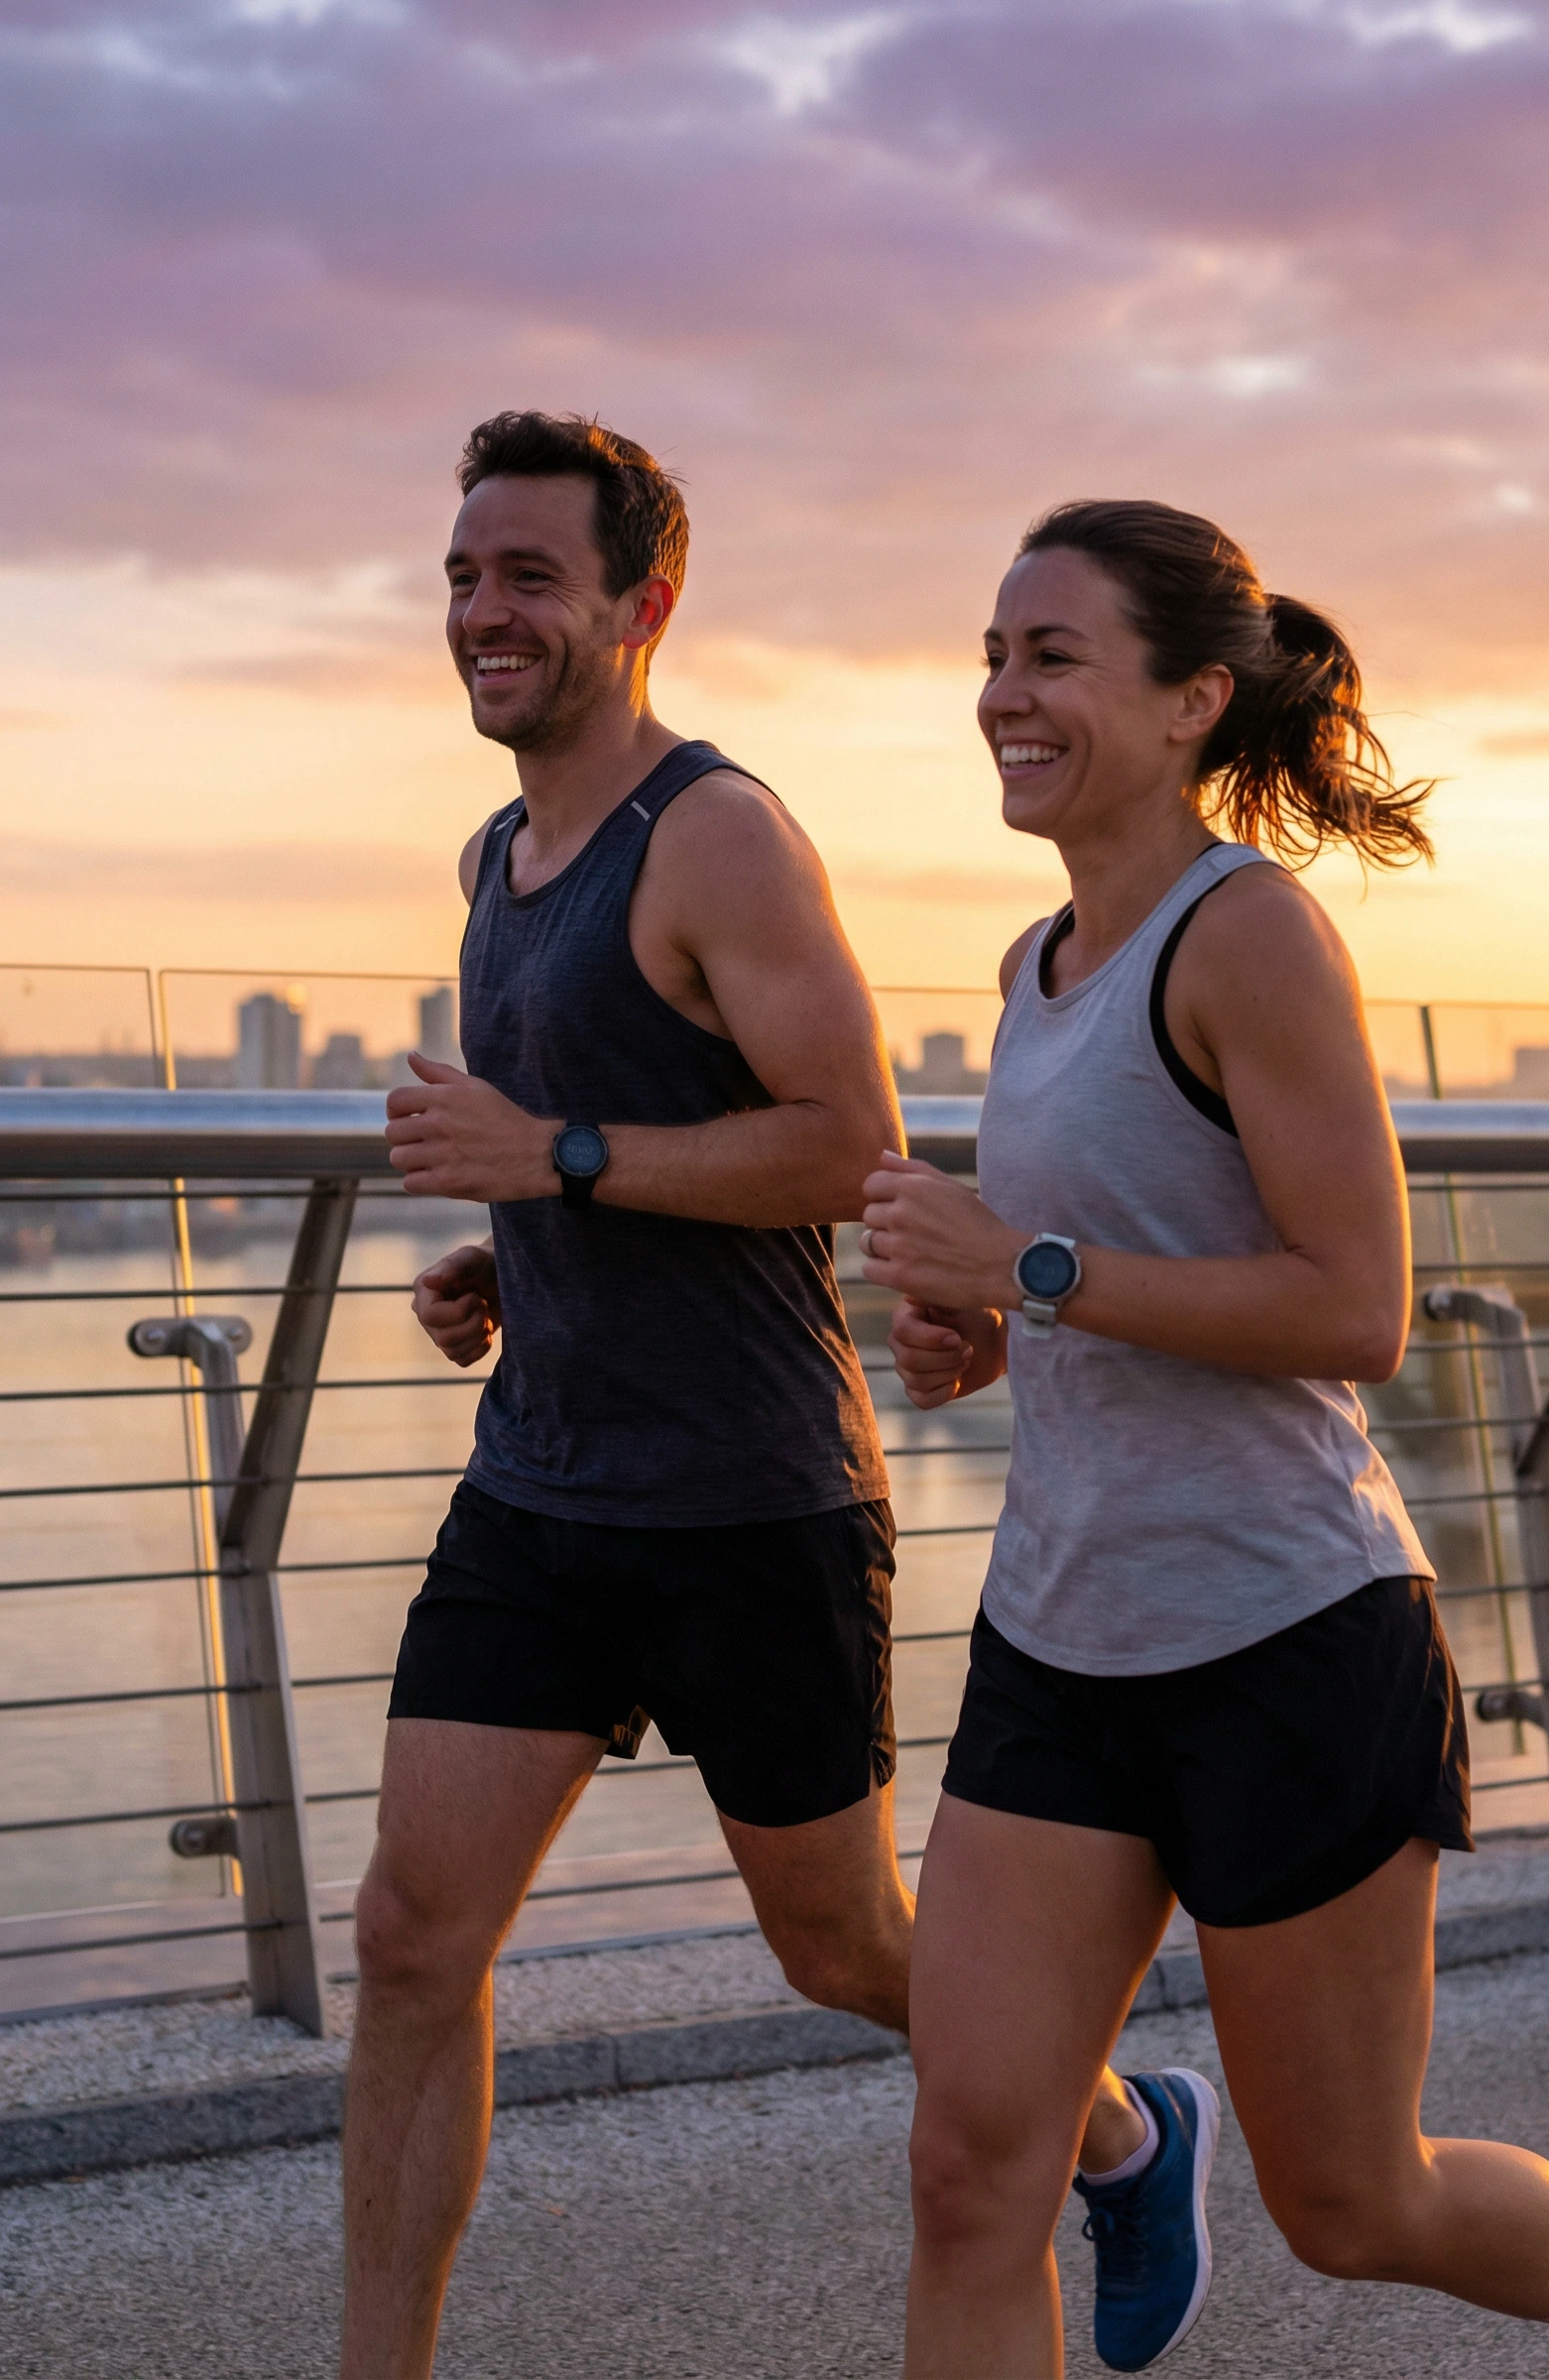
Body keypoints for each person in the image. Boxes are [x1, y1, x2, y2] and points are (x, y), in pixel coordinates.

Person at [862, 499, 1549, 2380]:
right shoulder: (1035, 965)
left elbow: (1355, 1308)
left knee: (1355, 2203)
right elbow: (1106, 1286)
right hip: (1062, 1638)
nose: (1001, 695)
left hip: (1287, 1638)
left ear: (1197, 697)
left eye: (1052, 656)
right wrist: (983, 1327)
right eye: (991, 654)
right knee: (972, 2172)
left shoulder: (1250, 934)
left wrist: (1031, 1265)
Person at [342, 413, 1139, 2380]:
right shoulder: (494, 853)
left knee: (841, 1946)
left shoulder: (713, 833)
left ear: (641, 604)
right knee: (408, 1943)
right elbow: (598, 1140)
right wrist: (513, 1257)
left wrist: (551, 1166)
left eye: (528, 575)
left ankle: (1120, 2131)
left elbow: (842, 1143)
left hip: (749, 1498)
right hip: (540, 1490)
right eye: (462, 574)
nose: (481, 612)